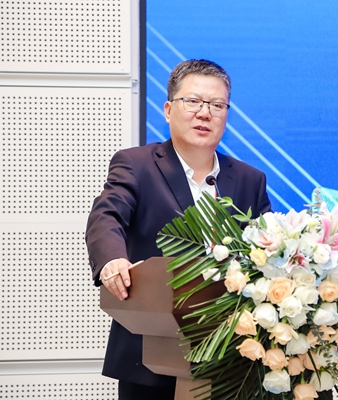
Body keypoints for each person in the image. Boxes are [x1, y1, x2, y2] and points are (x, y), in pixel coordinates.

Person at [85, 59, 272, 399]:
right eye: (193, 102)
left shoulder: (250, 179)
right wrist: (112, 260)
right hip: (150, 354)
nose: (205, 113)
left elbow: (268, 247)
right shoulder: (137, 165)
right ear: (169, 110)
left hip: (233, 359)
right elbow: (107, 216)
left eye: (217, 105)